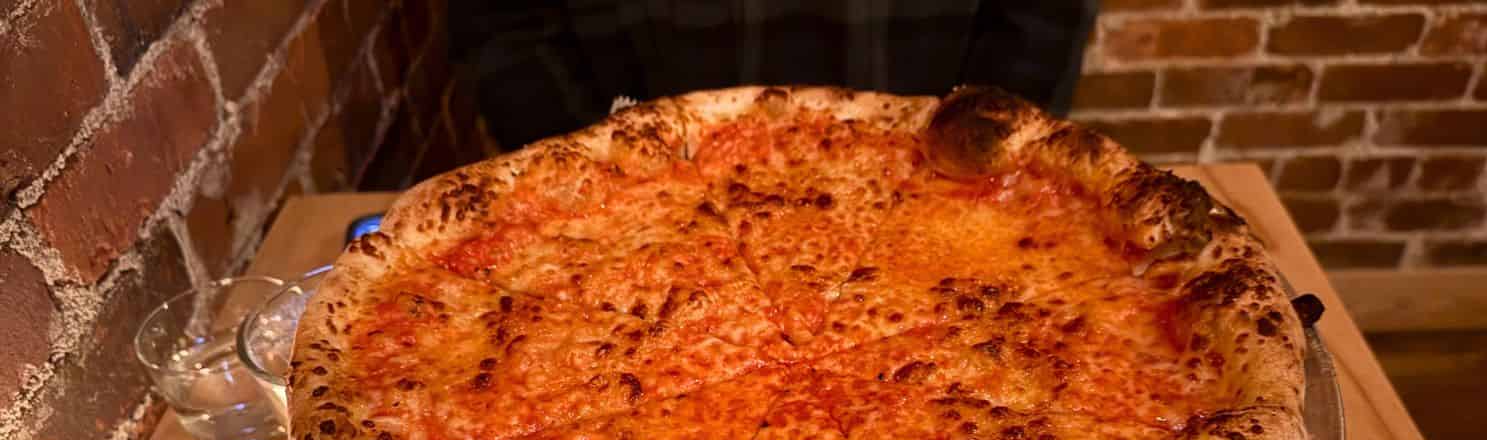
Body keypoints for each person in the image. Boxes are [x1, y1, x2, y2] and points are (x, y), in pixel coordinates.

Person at [450, 0, 1096, 151]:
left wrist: (987, 155)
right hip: (639, 191)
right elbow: (507, 29)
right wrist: (590, 173)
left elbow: (1042, 17)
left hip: (925, 178)